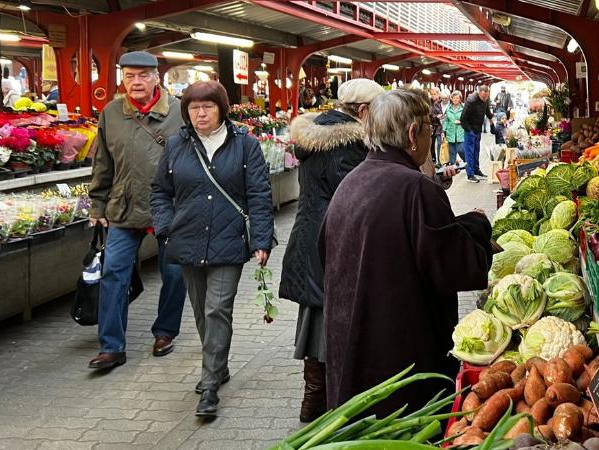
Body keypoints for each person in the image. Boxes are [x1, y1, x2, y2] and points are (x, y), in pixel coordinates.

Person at [319, 89, 494, 417]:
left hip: (351, 346)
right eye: (431, 128)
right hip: (402, 356)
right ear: (414, 134)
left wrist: (464, 224)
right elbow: (456, 267)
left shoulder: (351, 183)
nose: (432, 135)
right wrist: (479, 226)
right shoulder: (417, 189)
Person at [150, 81, 274, 417]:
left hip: (229, 240)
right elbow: (160, 191)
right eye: (193, 108)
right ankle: (218, 366)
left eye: (208, 107)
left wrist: (261, 239)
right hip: (187, 240)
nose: (200, 113)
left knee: (217, 309)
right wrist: (164, 227)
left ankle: (208, 386)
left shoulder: (245, 144)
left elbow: (260, 195)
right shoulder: (176, 144)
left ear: (221, 108)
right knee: (201, 311)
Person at [280, 78, 384, 423]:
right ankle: (325, 403)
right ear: (364, 111)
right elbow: (354, 196)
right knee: (331, 318)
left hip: (310, 236)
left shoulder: (314, 135)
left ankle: (313, 400)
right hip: (334, 240)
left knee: (315, 315)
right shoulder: (349, 145)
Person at [87, 51, 187, 370]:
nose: (136, 82)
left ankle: (165, 331)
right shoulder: (112, 113)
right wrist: (97, 203)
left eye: (143, 75)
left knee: (174, 273)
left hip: (169, 209)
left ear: (157, 77)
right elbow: (102, 162)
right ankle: (112, 346)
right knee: (113, 273)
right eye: (129, 76)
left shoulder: (178, 112)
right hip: (123, 207)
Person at [460, 85, 494, 183]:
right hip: (470, 129)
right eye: (483, 97)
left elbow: (487, 110)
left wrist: (491, 119)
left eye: (486, 97)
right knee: (469, 153)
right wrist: (468, 130)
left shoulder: (486, 99)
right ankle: (470, 174)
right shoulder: (471, 101)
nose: (485, 99)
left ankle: (476, 170)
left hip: (478, 129)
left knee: (476, 151)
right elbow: (463, 118)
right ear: (479, 93)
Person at [442, 90, 465, 166]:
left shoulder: (464, 108)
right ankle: (452, 166)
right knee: (452, 151)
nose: (455, 99)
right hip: (450, 132)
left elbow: (468, 119)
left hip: (460, 132)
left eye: (457, 98)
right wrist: (443, 130)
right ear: (451, 99)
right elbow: (446, 121)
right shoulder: (448, 109)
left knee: (460, 149)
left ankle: (466, 161)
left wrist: (461, 122)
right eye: (454, 98)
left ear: (460, 99)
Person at [429, 87, 443, 167]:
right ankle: (433, 160)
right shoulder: (429, 102)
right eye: (432, 94)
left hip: (440, 126)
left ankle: (440, 161)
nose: (433, 96)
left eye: (434, 94)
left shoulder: (441, 102)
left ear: (438, 94)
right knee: (431, 144)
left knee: (439, 144)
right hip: (432, 126)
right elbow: (428, 113)